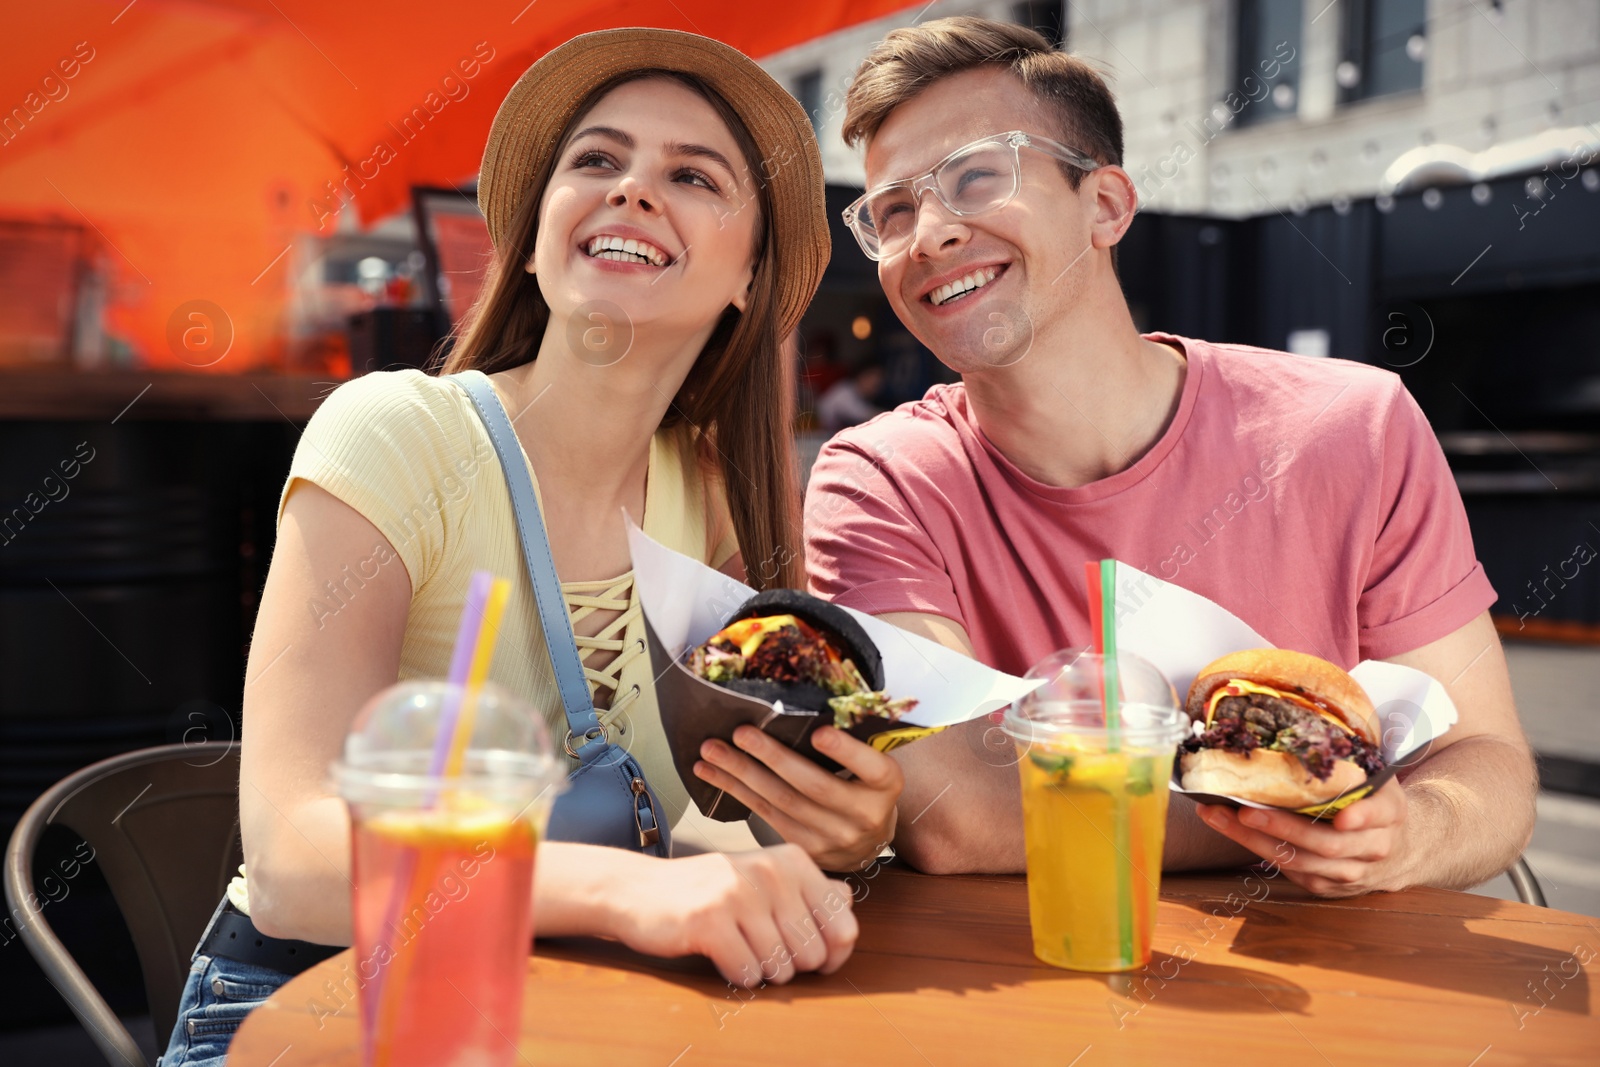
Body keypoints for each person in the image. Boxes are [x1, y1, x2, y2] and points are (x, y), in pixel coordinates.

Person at [159, 28, 875, 1067]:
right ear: (533, 241)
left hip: (570, 1014)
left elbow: (707, 830)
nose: (632, 188)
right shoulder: (396, 432)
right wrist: (637, 889)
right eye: (595, 160)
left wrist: (831, 828)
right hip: (313, 1006)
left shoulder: (719, 497)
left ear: (747, 274)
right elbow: (290, 860)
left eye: (690, 174)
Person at [800, 17, 1536, 898]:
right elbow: (951, 808)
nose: (928, 233)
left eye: (975, 177)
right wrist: (1293, 804)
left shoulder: (1356, 425)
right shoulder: (878, 481)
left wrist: (1411, 830)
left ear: (1106, 204)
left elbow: (1484, 762)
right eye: (892, 211)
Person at [816, 358, 886, 433]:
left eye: (878, 383)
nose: (875, 384)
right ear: (861, 376)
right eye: (872, 378)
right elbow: (862, 414)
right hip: (815, 435)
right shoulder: (844, 390)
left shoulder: (862, 397)